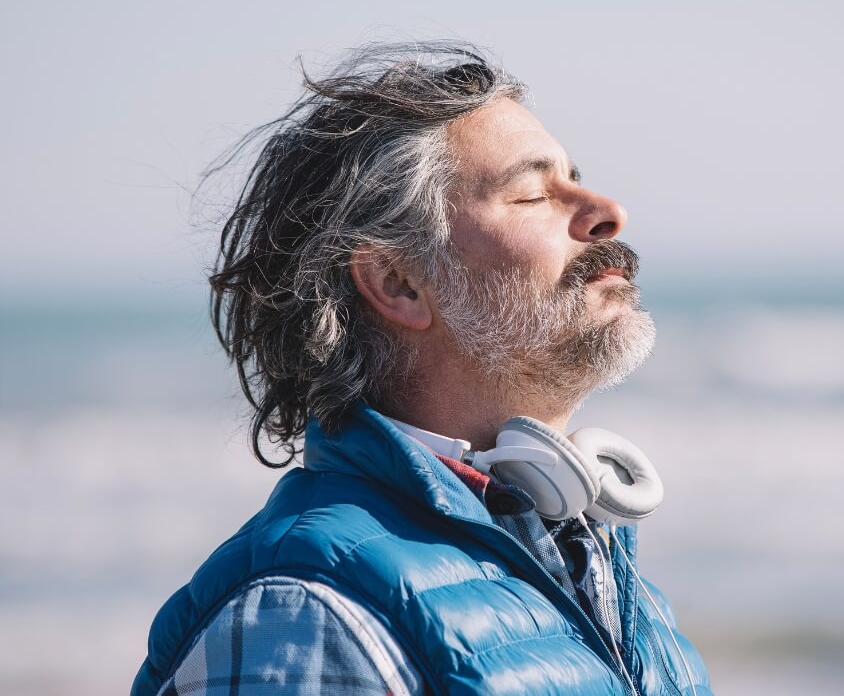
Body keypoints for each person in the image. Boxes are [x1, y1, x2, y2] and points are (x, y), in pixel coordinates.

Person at [132, 41, 712, 695]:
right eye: (531, 194)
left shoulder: (612, 581)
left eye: (574, 177)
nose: (608, 211)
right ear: (399, 282)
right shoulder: (309, 617)